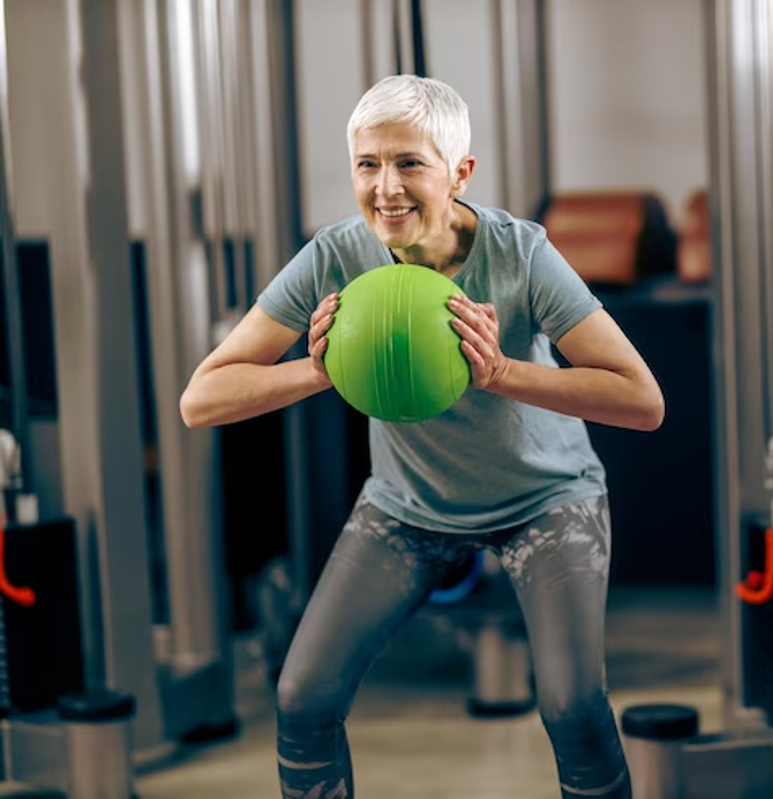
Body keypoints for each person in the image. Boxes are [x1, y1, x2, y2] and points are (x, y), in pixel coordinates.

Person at [179, 74, 664, 799]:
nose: (386, 188)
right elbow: (202, 397)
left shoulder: (521, 253)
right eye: (367, 164)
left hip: (546, 499)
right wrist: (317, 373)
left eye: (410, 163)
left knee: (573, 707)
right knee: (303, 697)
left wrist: (502, 374)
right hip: (408, 506)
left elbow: (641, 399)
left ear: (459, 172)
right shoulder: (335, 255)